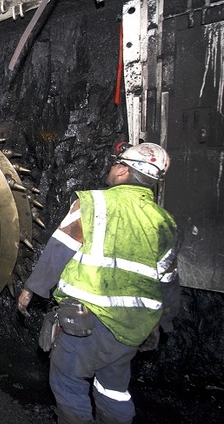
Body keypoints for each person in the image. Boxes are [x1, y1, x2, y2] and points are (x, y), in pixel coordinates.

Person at [17, 142, 180, 424]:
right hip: (132, 329)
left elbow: (60, 249)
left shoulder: (93, 203)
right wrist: (163, 322)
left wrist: (32, 288)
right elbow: (168, 279)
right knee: (113, 390)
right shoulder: (165, 222)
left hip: (87, 321)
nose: (111, 167)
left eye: (116, 163)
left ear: (122, 172)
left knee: (68, 383)